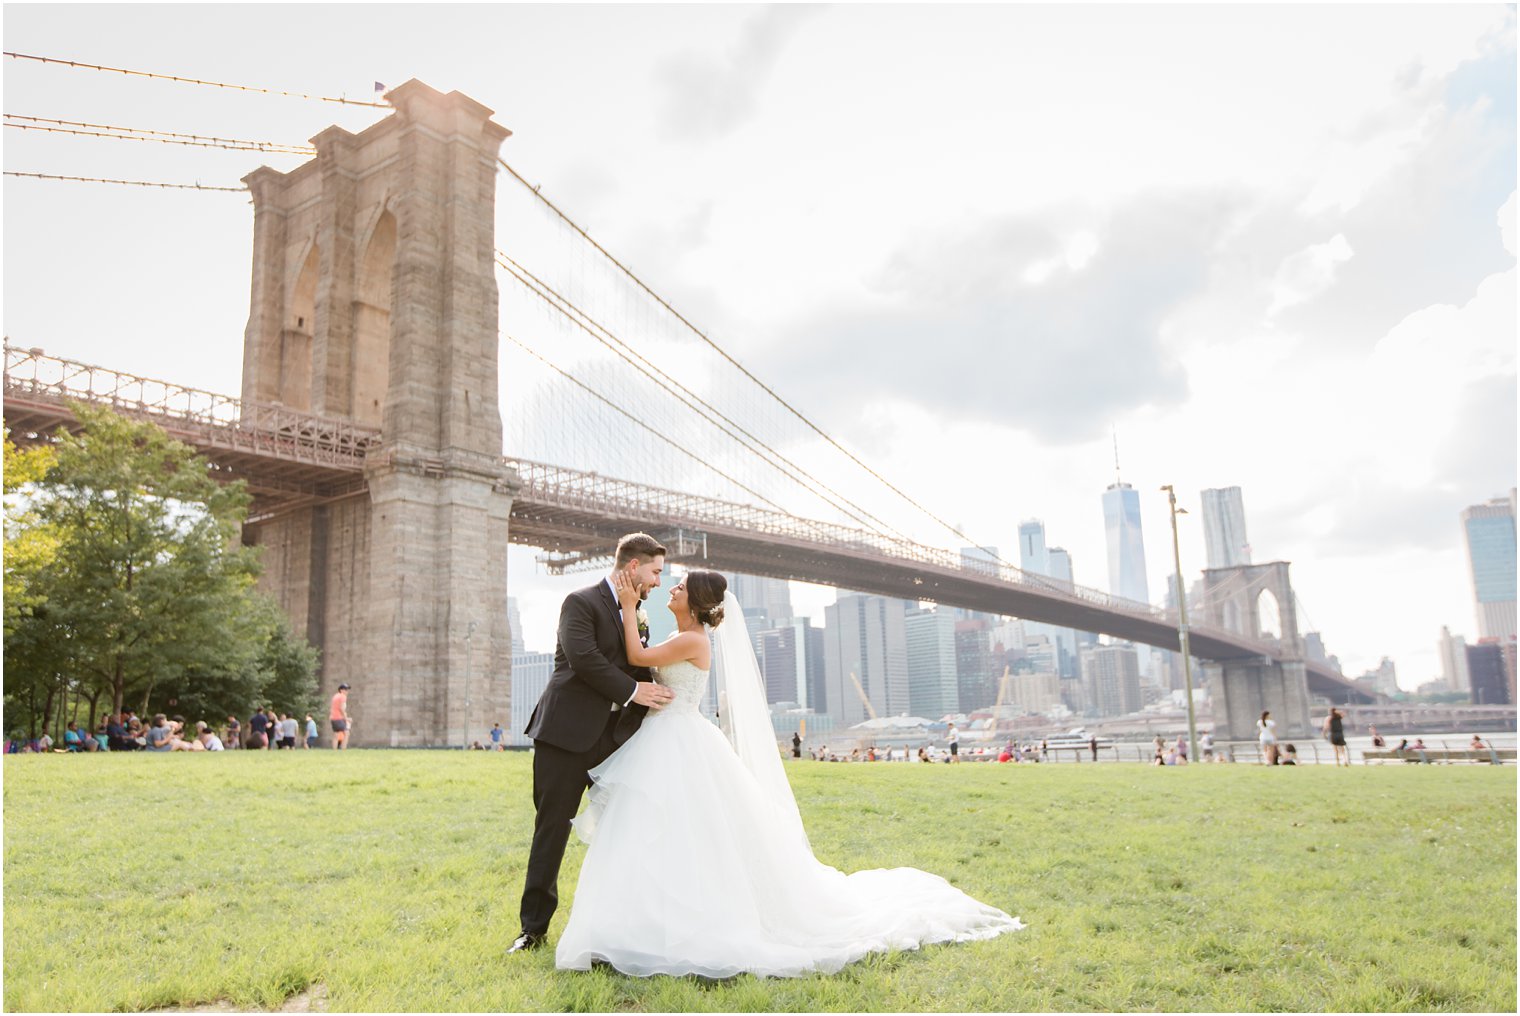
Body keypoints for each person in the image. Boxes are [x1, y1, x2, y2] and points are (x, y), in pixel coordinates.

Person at [550, 568, 1021, 977]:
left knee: (686, 833)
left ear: (694, 603)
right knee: (652, 832)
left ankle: (675, 925)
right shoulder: (682, 637)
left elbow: (635, 658)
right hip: (665, 739)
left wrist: (630, 607)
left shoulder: (693, 640)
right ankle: (635, 923)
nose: (671, 588)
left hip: (679, 741)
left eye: (680, 587)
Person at [509, 533, 675, 955]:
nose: (658, 582)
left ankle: (616, 928)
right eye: (655, 572)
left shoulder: (636, 613)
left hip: (615, 741)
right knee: (552, 831)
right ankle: (533, 930)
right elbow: (584, 660)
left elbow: (637, 663)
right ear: (633, 567)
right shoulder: (579, 602)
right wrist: (636, 693)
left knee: (625, 831)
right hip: (565, 736)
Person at [330, 684, 351, 749]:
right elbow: (342, 709)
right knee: (347, 733)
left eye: (347, 690)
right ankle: (343, 749)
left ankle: (334, 750)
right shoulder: (343, 696)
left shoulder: (335, 696)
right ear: (341, 690)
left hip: (332, 718)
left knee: (336, 734)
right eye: (345, 689)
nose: (347, 691)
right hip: (338, 718)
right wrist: (346, 718)